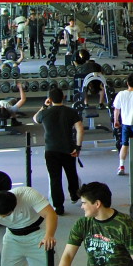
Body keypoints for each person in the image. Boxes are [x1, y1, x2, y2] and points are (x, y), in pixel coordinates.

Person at [32, 87, 84, 216]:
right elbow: (80, 129)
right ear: (63, 97)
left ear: (50, 99)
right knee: (72, 174)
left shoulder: (45, 113)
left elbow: (35, 119)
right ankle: (74, 195)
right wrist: (78, 147)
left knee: (55, 179)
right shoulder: (71, 112)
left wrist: (44, 106)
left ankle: (59, 206)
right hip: (68, 149)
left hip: (51, 150)